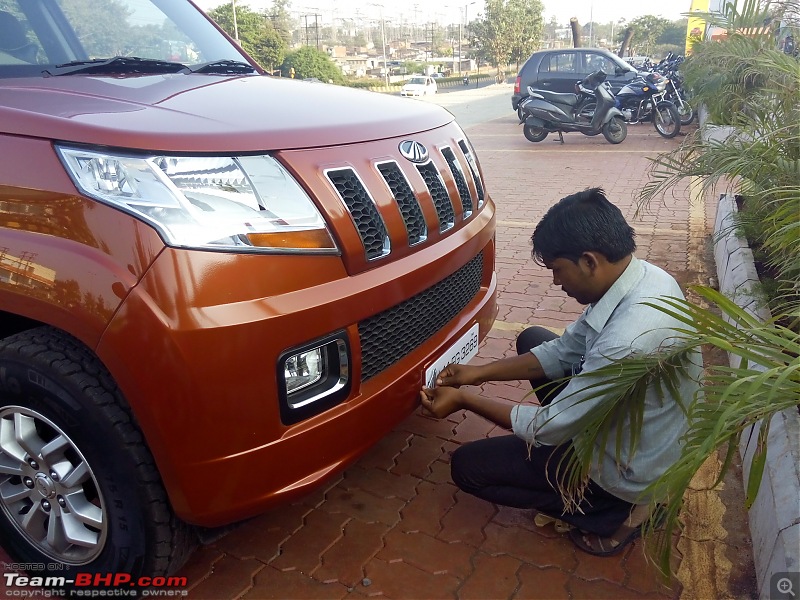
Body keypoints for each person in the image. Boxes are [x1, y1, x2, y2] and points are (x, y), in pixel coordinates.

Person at [419, 187, 701, 556]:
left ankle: (611, 511)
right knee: (533, 338)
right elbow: (564, 350)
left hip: (627, 465)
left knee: (467, 468)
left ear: (588, 261)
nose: (556, 283)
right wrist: (478, 373)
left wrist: (465, 400)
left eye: (557, 270)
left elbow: (549, 428)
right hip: (634, 425)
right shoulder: (645, 276)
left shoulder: (629, 339)